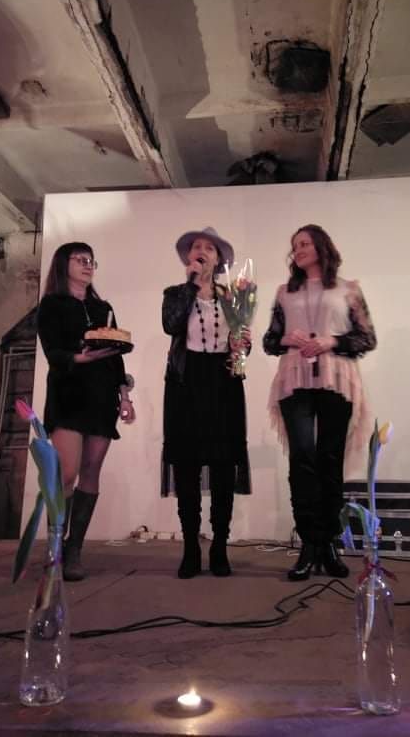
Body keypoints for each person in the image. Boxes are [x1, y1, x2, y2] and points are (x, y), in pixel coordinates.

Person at [263, 224, 376, 581]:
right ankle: (308, 543)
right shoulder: (285, 292)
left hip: (336, 380)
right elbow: (269, 341)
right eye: (294, 245)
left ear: (322, 248)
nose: (298, 250)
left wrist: (331, 341)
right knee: (302, 458)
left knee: (329, 458)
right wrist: (289, 338)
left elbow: (366, 338)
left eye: (305, 243)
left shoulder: (348, 289)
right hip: (294, 380)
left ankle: (328, 542)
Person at [36, 242, 135, 582]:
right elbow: (53, 352)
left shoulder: (102, 307)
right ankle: (55, 544)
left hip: (102, 397)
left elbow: (116, 355)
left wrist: (125, 396)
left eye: (91, 260)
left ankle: (74, 549)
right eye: (80, 259)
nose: (88, 264)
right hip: (68, 395)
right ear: (63, 265)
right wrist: (81, 357)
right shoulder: (52, 304)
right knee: (67, 473)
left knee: (91, 471)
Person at [161, 227, 251, 579]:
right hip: (186, 384)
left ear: (219, 258)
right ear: (189, 257)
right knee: (187, 467)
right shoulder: (175, 293)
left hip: (223, 383)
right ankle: (190, 546)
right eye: (196, 247)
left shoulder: (233, 296)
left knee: (224, 467)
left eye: (209, 248)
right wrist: (190, 285)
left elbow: (241, 349)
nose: (201, 251)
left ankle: (219, 546)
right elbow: (170, 325)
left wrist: (243, 346)